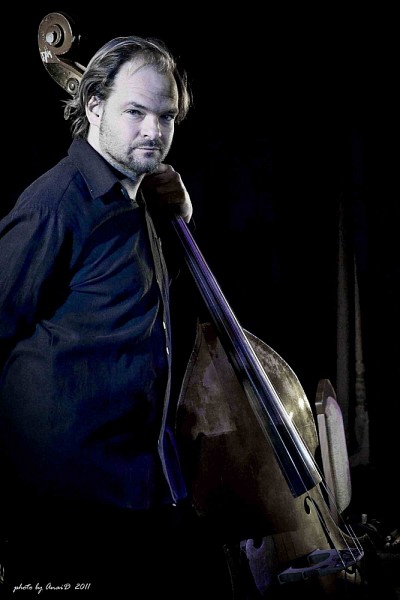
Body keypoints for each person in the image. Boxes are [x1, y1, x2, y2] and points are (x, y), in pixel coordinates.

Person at [0, 35, 234, 598]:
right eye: (135, 112)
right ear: (95, 107)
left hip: (136, 482)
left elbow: (141, 305)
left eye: (166, 116)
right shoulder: (54, 205)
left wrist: (181, 220)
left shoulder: (142, 197)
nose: (154, 131)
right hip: (66, 498)